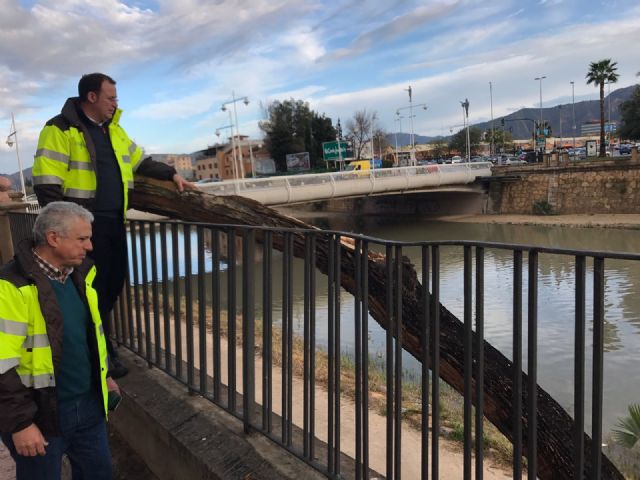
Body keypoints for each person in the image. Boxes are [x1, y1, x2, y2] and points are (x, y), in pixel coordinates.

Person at [32, 73, 195, 378]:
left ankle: (101, 346)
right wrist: (64, 232)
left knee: (109, 287)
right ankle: (99, 354)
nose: (115, 104)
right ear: (91, 97)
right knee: (87, 291)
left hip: (113, 224)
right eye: (111, 98)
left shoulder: (113, 131)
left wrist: (171, 173)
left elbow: (140, 162)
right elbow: (46, 184)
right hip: (80, 231)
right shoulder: (60, 129)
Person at [0, 201, 118, 480]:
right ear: (53, 238)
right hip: (40, 414)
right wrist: (21, 424)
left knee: (99, 474)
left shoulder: (80, 274)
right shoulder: (10, 287)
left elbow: (90, 336)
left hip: (89, 405)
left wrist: (106, 375)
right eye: (82, 238)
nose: (89, 246)